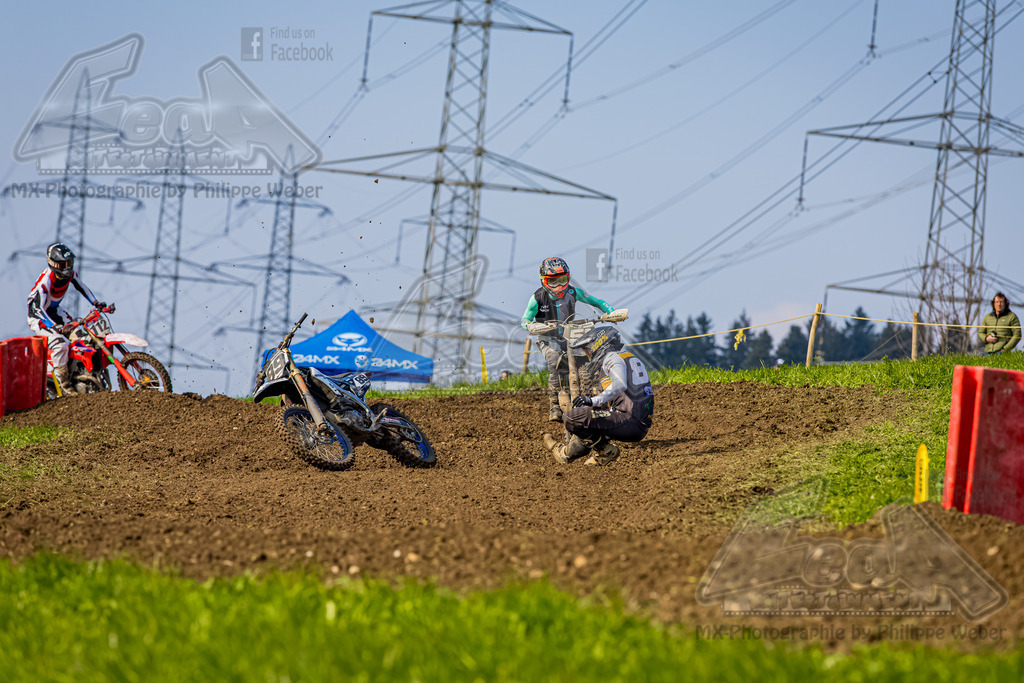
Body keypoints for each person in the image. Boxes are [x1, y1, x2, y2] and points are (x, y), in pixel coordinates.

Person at [520, 257, 616, 421]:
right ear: (544, 280)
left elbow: (597, 302)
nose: (559, 286)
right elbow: (524, 320)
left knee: (590, 358)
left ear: (568, 278)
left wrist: (612, 312)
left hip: (570, 336)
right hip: (547, 338)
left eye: (562, 280)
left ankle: (597, 395)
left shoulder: (573, 292)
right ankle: (554, 405)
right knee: (555, 361)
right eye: (553, 281)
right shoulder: (537, 297)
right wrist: (531, 326)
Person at [542, 326, 654, 466]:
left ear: (598, 345)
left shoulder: (611, 358)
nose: (588, 355)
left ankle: (602, 450)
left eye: (588, 350)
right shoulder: (627, 357)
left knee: (572, 417)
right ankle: (590, 456)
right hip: (638, 422)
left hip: (628, 421)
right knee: (588, 418)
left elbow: (620, 384)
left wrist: (591, 401)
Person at [27, 243, 112, 394]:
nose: (67, 268)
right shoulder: (45, 281)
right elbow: (36, 308)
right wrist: (53, 326)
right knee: (60, 345)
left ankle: (80, 373)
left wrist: (96, 303)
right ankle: (65, 385)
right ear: (53, 263)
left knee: (81, 338)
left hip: (56, 311)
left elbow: (82, 287)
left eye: (69, 263)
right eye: (63, 265)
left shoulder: (71, 274)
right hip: (39, 318)